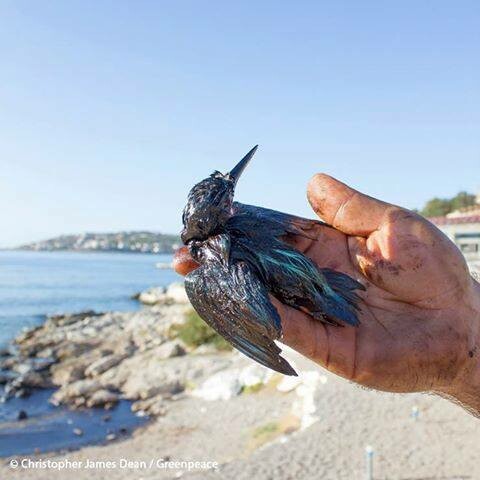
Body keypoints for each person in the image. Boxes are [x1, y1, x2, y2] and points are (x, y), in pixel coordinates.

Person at [173, 173, 480, 416]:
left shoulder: (215, 258)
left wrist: (464, 341)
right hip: (326, 287)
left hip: (322, 289)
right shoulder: (241, 227)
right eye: (227, 199)